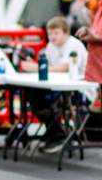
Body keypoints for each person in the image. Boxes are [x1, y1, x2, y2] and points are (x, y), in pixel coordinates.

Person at [21, 17, 88, 152]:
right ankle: (55, 133)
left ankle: (57, 134)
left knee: (40, 98)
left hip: (78, 88)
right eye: (50, 33)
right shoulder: (50, 46)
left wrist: (36, 67)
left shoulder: (74, 45)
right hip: (56, 85)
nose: (52, 37)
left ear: (66, 33)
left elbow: (64, 67)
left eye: (56, 33)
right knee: (32, 94)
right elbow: (49, 67)